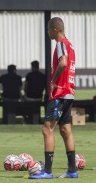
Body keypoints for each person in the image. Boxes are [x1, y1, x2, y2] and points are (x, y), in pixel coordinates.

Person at [29, 17, 77, 179]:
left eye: (48, 29)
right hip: (69, 92)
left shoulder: (61, 43)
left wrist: (53, 82)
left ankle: (47, 171)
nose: (47, 32)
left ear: (55, 29)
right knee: (65, 130)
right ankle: (72, 170)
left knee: (47, 130)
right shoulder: (70, 45)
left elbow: (63, 63)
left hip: (60, 93)